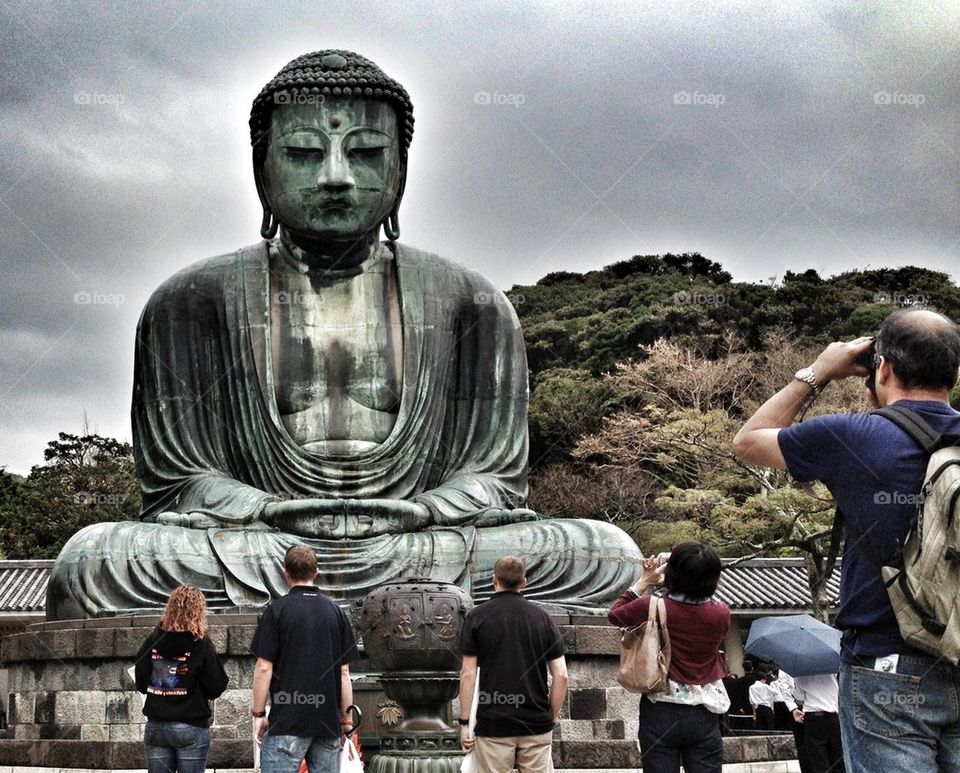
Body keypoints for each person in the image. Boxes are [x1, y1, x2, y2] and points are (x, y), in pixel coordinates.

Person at [47, 48, 642, 622]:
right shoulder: (191, 301)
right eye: (304, 152)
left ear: (400, 170)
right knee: (95, 560)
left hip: (423, 544)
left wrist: (421, 511)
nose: (336, 177)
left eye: (365, 152)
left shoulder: (471, 302)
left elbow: (495, 480)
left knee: (604, 554)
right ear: (262, 169)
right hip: (261, 546)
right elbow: (179, 481)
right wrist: (265, 508)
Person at [732, 307, 960, 772]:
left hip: (887, 666)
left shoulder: (853, 436)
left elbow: (748, 440)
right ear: (954, 374)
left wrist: (819, 372)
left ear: (884, 367)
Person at [609, 542, 731, 773]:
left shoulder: (650, 606)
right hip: (705, 710)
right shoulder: (721, 613)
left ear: (671, 571)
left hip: (660, 709)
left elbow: (615, 615)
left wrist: (645, 580)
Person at [251, 545, 359, 772]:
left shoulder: (276, 611)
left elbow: (263, 667)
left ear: (285, 573)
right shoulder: (336, 612)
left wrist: (259, 714)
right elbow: (344, 673)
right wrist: (346, 720)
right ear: (316, 572)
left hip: (287, 722)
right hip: (326, 724)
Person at [458, 555, 568, 773]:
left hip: (493, 724)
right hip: (536, 724)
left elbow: (468, 674)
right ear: (524, 582)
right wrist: (550, 717)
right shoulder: (542, 618)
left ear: (493, 580)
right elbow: (562, 675)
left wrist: (464, 724)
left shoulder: (477, 617)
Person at [134, 585, 228, 773]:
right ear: (199, 612)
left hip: (157, 725)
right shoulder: (200, 643)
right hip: (190, 725)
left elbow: (141, 681)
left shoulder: (154, 640)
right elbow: (216, 686)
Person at [779, 673, 845, 773]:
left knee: (818, 758)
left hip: (813, 718)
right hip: (832, 715)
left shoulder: (802, 674)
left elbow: (799, 696)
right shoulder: (831, 671)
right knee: (837, 756)